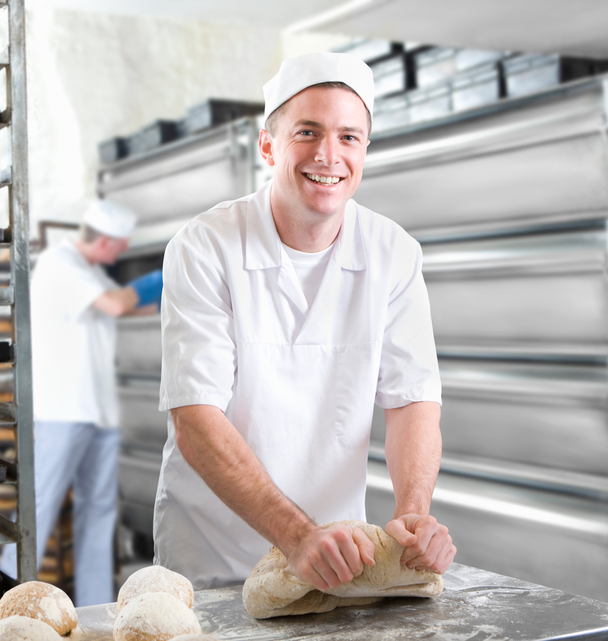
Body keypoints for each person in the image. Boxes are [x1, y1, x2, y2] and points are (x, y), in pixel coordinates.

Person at [154, 52, 456, 592]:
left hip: (339, 559)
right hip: (215, 557)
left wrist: (414, 511)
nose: (328, 155)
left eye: (348, 137)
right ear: (268, 144)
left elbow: (412, 398)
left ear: (365, 150)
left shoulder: (393, 252)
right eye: (307, 132)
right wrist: (296, 536)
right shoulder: (205, 247)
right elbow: (196, 423)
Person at [0, 199, 163, 606]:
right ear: (104, 240)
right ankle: (0, 600)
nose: (121, 253)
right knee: (40, 508)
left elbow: (126, 307)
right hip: (63, 411)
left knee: (99, 513)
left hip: (100, 413)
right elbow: (115, 303)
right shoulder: (59, 263)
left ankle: (93, 608)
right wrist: (163, 274)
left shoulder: (91, 271)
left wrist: (169, 296)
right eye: (119, 246)